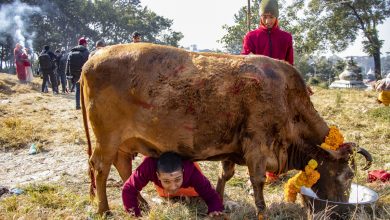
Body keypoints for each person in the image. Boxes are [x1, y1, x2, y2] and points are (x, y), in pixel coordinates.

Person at [122, 152, 224, 217]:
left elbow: (209, 193)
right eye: (167, 181)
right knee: (165, 193)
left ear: (183, 171)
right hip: (159, 176)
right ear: (157, 175)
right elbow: (128, 189)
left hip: (187, 177)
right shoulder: (148, 167)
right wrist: (134, 215)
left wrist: (215, 209)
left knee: (194, 193)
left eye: (177, 179)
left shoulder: (192, 171)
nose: (173, 186)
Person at [66, 37, 89, 109]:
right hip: (83, 73)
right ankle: (85, 105)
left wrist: (67, 74)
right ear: (84, 43)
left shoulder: (71, 52)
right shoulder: (86, 51)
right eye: (86, 44)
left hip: (74, 74)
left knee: (77, 89)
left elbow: (68, 63)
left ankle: (77, 105)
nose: (87, 45)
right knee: (85, 89)